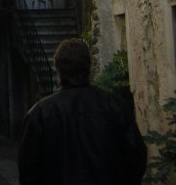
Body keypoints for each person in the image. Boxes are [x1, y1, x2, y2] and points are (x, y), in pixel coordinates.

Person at [17, 38, 147, 185]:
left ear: (57, 68)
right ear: (88, 66)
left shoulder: (39, 114)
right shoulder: (115, 106)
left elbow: (28, 170)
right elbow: (136, 158)